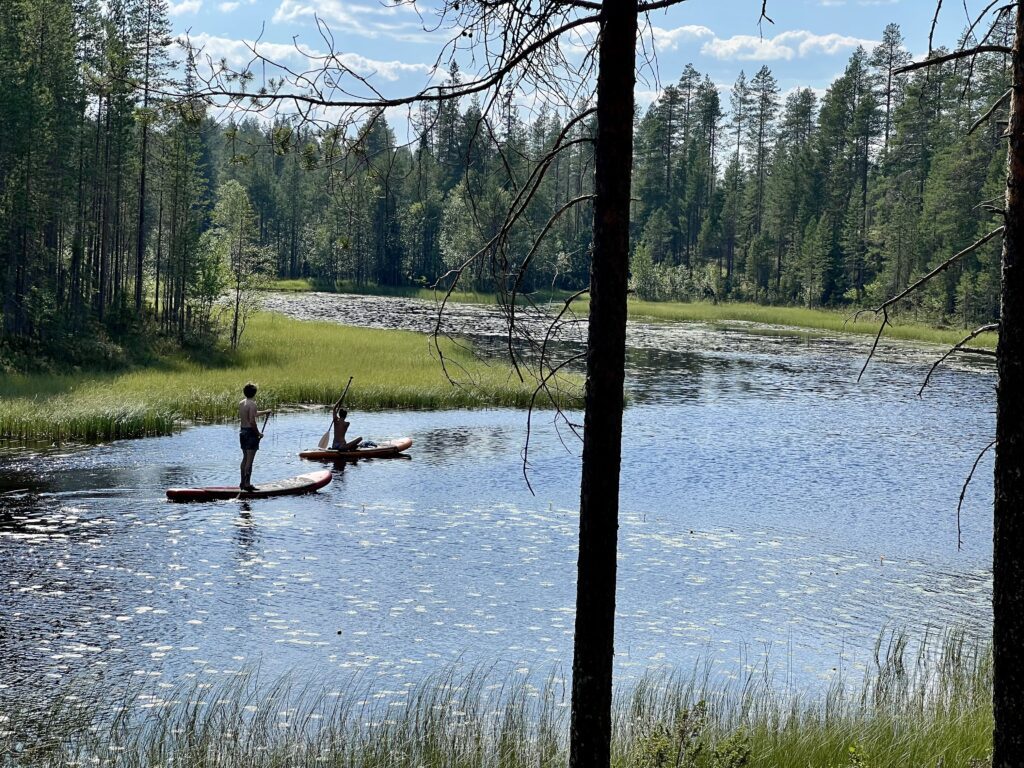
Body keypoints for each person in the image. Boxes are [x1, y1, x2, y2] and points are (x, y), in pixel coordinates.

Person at [239, 382, 272, 491]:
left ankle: (242, 483)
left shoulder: (242, 403)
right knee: (250, 461)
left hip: (242, 432)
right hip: (250, 433)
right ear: (254, 393)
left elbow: (253, 414)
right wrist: (258, 434)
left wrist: (265, 412)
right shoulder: (252, 404)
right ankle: (247, 485)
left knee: (244, 459)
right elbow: (252, 421)